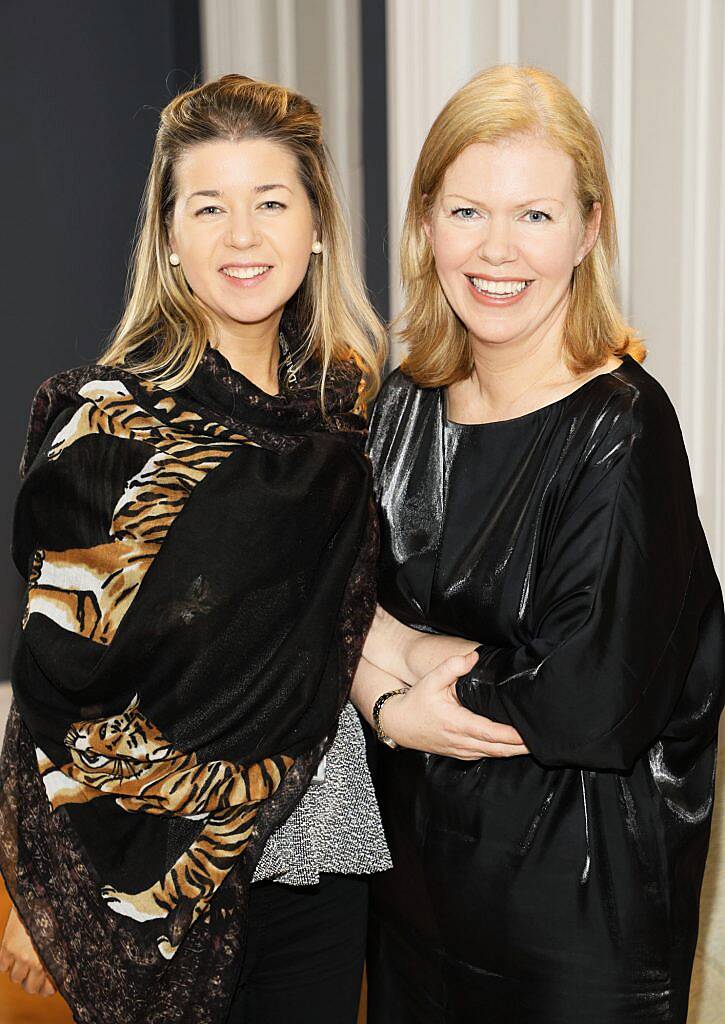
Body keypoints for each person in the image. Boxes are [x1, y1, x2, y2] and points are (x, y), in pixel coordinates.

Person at [0, 74, 389, 1024]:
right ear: (170, 236)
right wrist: (35, 888)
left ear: (316, 225)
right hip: (143, 874)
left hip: (319, 850)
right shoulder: (106, 426)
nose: (242, 236)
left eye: (270, 202)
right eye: (208, 206)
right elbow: (58, 681)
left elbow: (358, 624)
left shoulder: (352, 420)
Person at [353, 65, 724, 1023]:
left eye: (536, 216)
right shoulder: (401, 406)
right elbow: (326, 610)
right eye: (468, 211)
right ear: (425, 221)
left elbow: (586, 698)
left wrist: (389, 663)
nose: (496, 250)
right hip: (409, 901)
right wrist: (395, 698)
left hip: (575, 933)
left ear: (588, 231)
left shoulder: (622, 430)